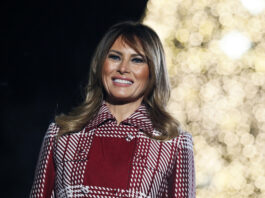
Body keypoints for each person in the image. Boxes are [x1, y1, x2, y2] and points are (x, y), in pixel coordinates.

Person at [30, 21, 195, 198]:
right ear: (101, 64)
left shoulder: (173, 143)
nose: (123, 68)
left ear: (153, 71)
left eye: (137, 60)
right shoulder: (61, 134)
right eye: (115, 57)